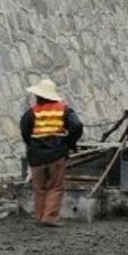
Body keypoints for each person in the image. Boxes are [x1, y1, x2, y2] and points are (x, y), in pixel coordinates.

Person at [20, 79, 83, 227]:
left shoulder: (31, 113)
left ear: (39, 96)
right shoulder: (63, 110)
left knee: (39, 187)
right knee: (55, 187)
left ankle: (40, 216)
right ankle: (50, 217)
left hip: (36, 156)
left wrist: (32, 145)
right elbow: (77, 126)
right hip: (56, 154)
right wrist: (67, 143)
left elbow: (25, 131)